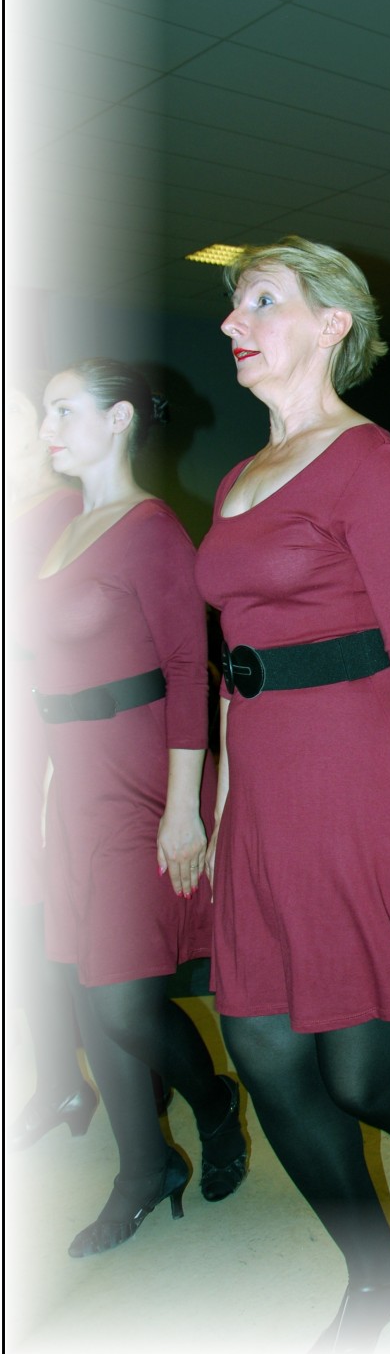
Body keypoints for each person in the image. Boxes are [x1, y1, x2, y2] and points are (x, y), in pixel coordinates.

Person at [195, 236, 390, 1354]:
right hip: (264, 790)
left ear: (333, 324)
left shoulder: (370, 462)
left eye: (262, 301)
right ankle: (373, 1269)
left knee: (362, 1067)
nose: (235, 322)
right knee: (263, 1047)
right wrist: (222, 808)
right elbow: (235, 658)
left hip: (355, 778)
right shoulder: (239, 479)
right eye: (233, 304)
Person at [32, 360, 247, 1257]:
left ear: (119, 420)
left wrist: (183, 808)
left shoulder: (152, 529)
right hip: (70, 782)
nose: (47, 427)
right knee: (85, 987)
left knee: (121, 998)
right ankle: (142, 1168)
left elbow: (191, 668)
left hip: (141, 778)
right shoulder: (54, 524)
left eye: (63, 410)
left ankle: (213, 1102)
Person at [7, 388, 91, 1148]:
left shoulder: (64, 510)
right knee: (24, 926)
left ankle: (197, 1095)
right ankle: (60, 1080)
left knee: (53, 922)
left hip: (43, 728)